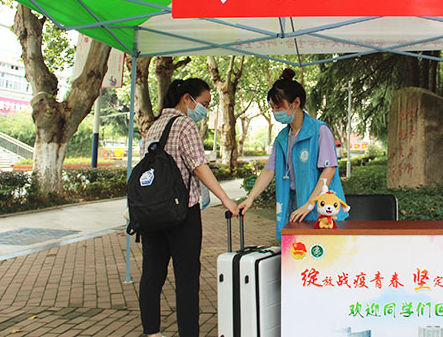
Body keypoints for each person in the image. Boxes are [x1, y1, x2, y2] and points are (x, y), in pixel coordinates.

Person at [139, 78, 238, 337]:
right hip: (182, 213)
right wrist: (225, 199)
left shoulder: (153, 127)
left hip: (152, 213)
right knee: (186, 279)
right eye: (204, 103)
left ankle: (152, 332)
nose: (205, 108)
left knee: (152, 275)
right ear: (187, 99)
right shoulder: (185, 124)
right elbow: (198, 166)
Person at [238, 68, 347, 240]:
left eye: (278, 106)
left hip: (324, 210)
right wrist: (250, 198)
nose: (275, 111)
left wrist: (309, 205)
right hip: (298, 207)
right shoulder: (282, 138)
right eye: (272, 107)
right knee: (298, 253)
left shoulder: (319, 130)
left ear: (295, 103)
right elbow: (269, 170)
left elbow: (329, 169)